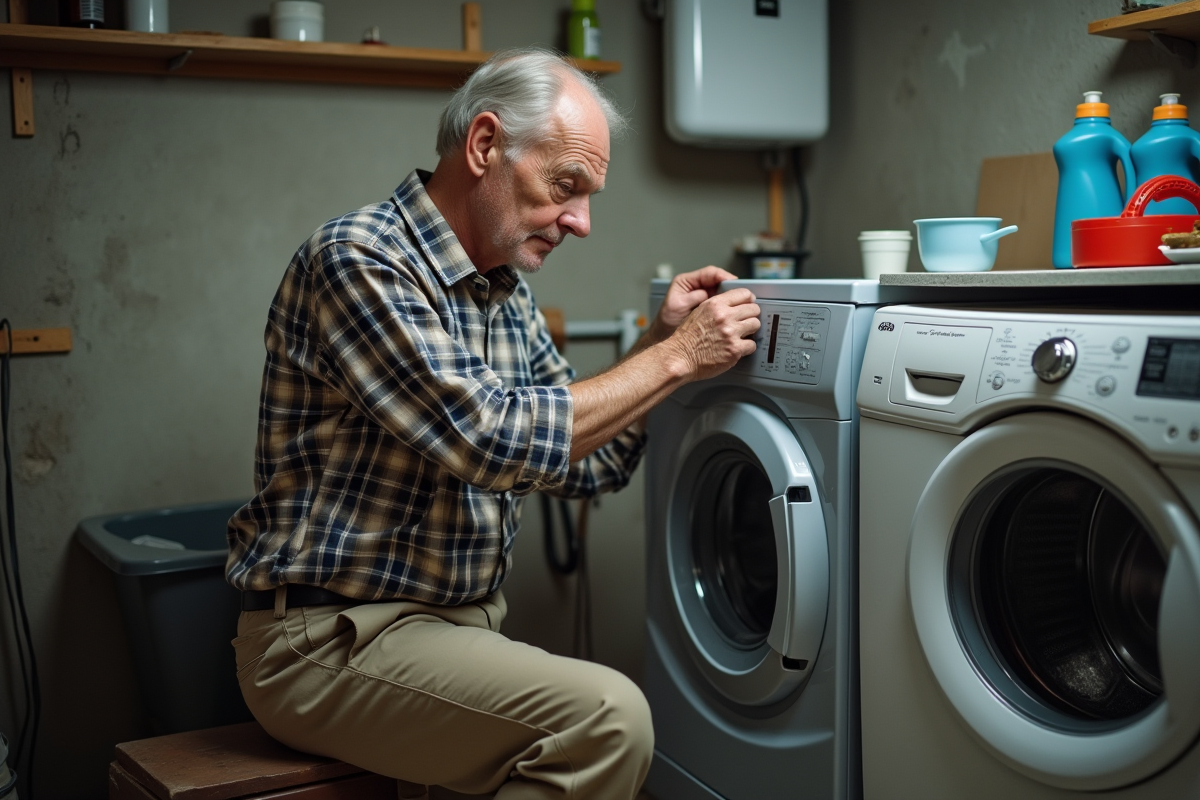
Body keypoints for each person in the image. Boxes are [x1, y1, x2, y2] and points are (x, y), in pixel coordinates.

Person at [225, 47, 760, 800]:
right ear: (483, 146)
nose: (580, 222)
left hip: (457, 633)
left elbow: (587, 463)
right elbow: (490, 438)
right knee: (608, 721)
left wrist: (651, 346)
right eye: (566, 186)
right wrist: (676, 359)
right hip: (328, 643)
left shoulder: (503, 295)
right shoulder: (357, 260)